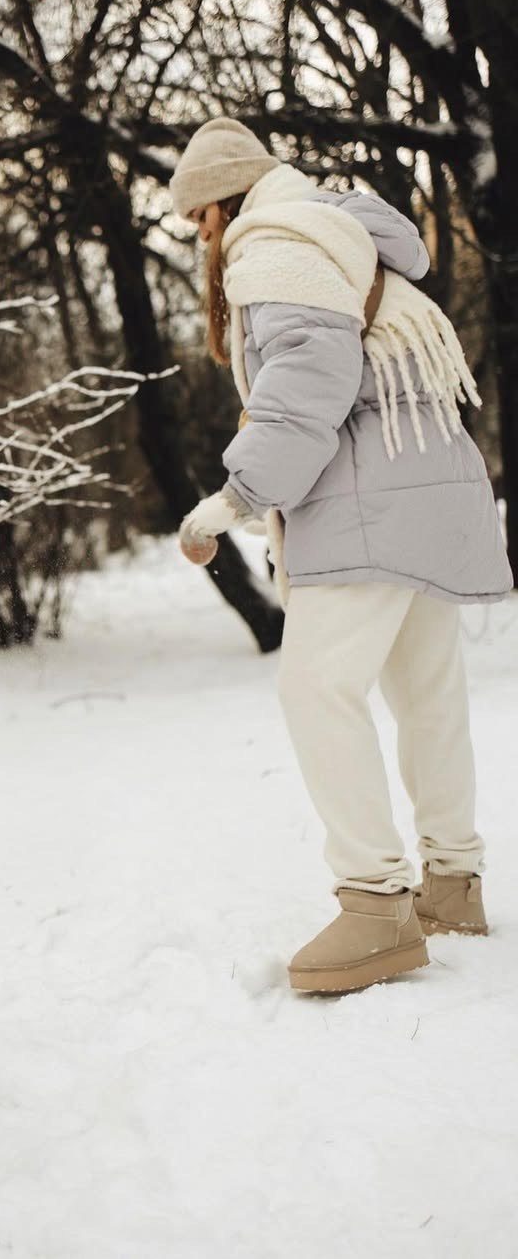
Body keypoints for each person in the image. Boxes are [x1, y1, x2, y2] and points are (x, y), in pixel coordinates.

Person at [169, 117, 512, 994]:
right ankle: (451, 880)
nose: (201, 237)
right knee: (424, 689)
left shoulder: (277, 247)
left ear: (225, 202)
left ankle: (376, 906)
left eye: (199, 217)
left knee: (316, 685)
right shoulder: (345, 228)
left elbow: (306, 388)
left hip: (370, 495)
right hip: (432, 478)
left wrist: (235, 495)